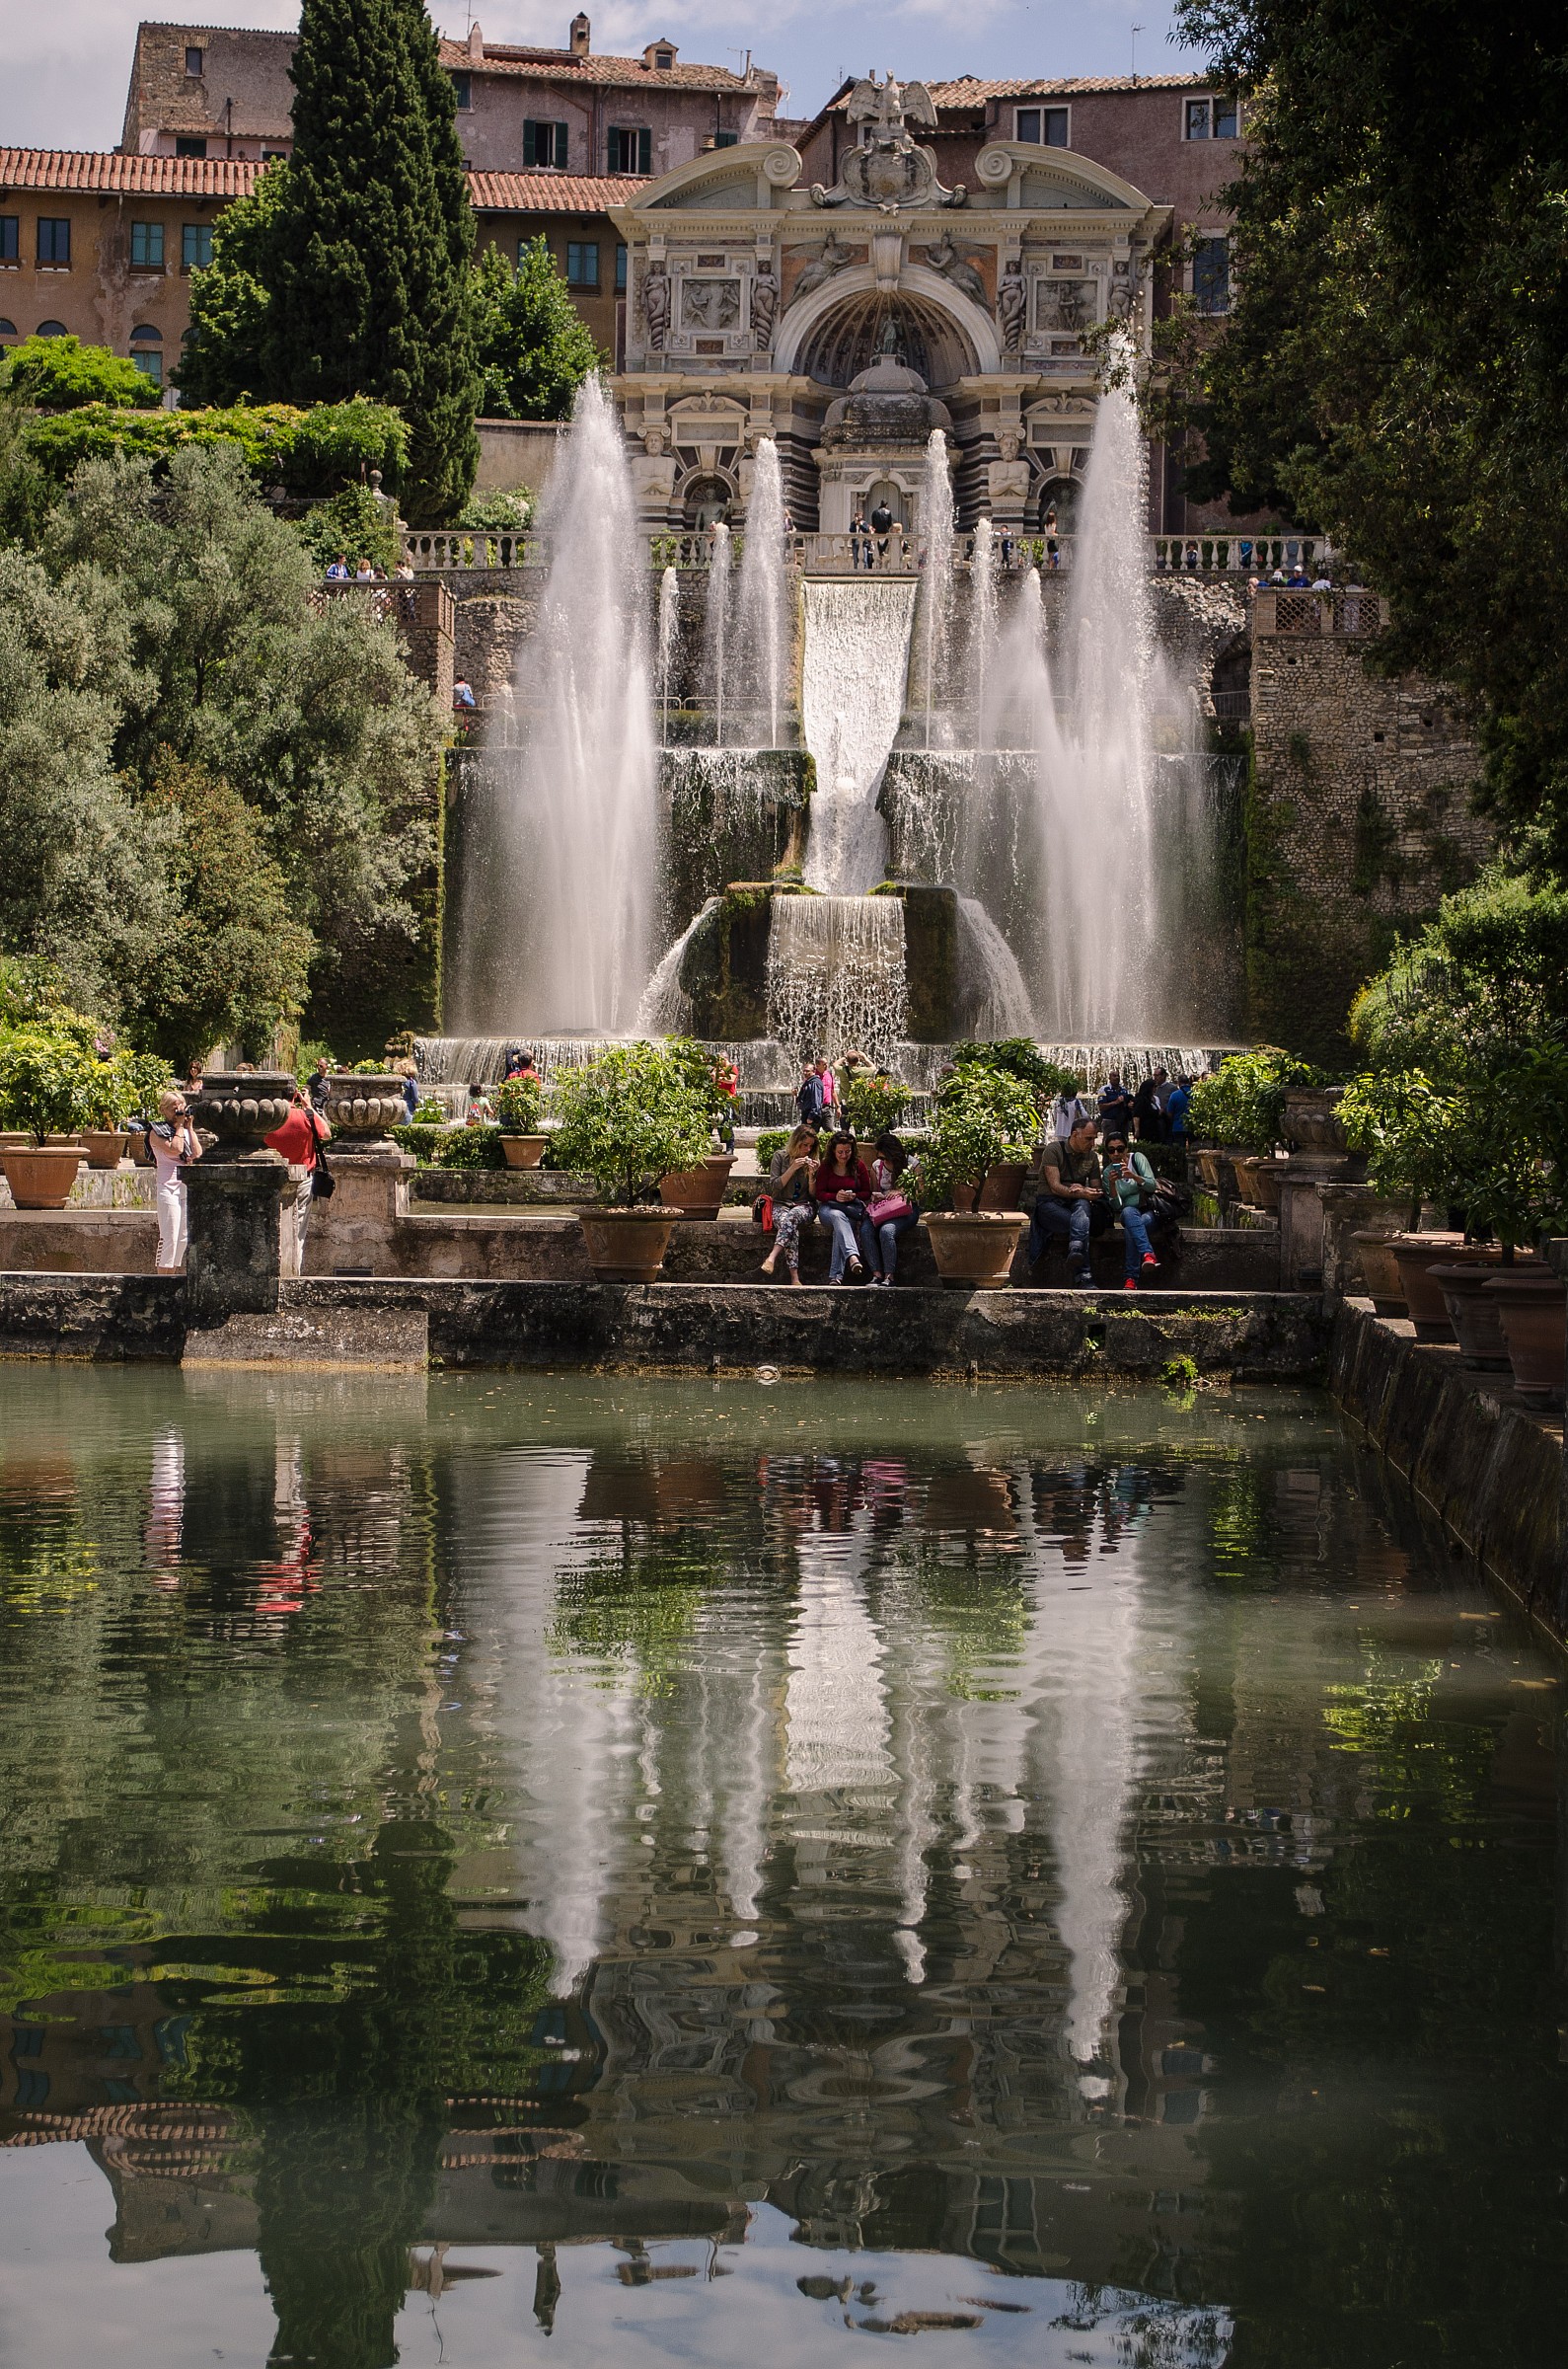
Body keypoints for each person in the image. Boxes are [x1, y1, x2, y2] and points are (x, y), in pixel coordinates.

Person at [1027, 1113, 1108, 1284]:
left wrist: (1086, 1191)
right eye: (1088, 1138)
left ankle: (1076, 1248)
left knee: (1083, 1206)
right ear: (1074, 1134)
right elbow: (1055, 1187)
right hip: (1049, 1203)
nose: (1093, 1144)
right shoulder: (1054, 1150)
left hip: (1076, 1204)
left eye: (1094, 1139)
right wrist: (1081, 1192)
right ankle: (1084, 1275)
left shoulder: (1092, 1157)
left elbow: (1096, 1188)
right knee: (1081, 1224)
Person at [263, 1089, 330, 1271]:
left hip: (270, 1179)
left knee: (270, 1229)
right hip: (302, 1179)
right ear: (295, 1095)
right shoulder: (305, 1116)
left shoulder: (267, 1118)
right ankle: (293, 1273)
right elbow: (326, 1133)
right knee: (297, 1232)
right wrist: (308, 1106)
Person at [148, 1088, 201, 1269]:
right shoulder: (156, 1131)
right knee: (169, 1237)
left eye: (181, 1106)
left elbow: (196, 1153)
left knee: (183, 1238)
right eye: (174, 1108)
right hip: (167, 1187)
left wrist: (189, 1128)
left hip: (184, 1186)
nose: (178, 1111)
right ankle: (162, 1279)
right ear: (164, 1110)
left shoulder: (184, 1131)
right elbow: (175, 1149)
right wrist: (179, 1126)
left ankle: (173, 1275)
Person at [1101, 1131, 1161, 1290]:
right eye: (1111, 1150)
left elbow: (1152, 1185)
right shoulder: (1108, 1173)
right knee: (1128, 1212)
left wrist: (1134, 1176)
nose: (1116, 1153)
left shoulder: (1137, 1159)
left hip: (1149, 1211)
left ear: (1126, 1149)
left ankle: (1130, 1279)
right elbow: (1117, 1206)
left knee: (1131, 1230)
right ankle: (1148, 1254)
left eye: (1120, 1149)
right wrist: (1112, 1185)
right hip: (1129, 1213)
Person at [760, 1124, 819, 1284]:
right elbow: (776, 1186)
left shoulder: (814, 1161)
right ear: (795, 1142)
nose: (807, 1149)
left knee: (792, 1216)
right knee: (789, 1224)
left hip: (804, 1205)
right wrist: (792, 1168)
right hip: (781, 1203)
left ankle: (772, 1257)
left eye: (810, 1146)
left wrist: (812, 1176)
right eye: (804, 1145)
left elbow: (813, 1195)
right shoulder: (780, 1157)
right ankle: (794, 1277)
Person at [859, 1132, 920, 1285]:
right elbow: (874, 1192)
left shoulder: (912, 1164)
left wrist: (901, 1191)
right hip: (883, 1211)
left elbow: (920, 1192)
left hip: (906, 1210)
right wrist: (878, 1196)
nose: (884, 1160)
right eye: (881, 1158)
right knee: (865, 1230)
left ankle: (889, 1276)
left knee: (887, 1231)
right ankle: (876, 1274)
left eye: (886, 1157)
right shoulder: (876, 1167)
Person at [814, 1130, 873, 1283]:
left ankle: (836, 1277)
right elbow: (819, 1193)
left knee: (839, 1229)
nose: (844, 1155)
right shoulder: (826, 1166)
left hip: (850, 1209)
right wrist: (835, 1196)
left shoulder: (858, 1165)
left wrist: (854, 1195)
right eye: (840, 1152)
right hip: (829, 1208)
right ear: (833, 1151)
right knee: (837, 1215)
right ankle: (852, 1256)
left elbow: (867, 1192)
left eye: (847, 1151)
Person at [1132, 1068, 1167, 1143]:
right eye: (1154, 1087)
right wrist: (1137, 1130)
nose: (1156, 1089)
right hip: (1145, 1130)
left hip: (1153, 1130)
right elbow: (1136, 1115)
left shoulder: (1151, 1099)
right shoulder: (1141, 1100)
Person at [1097, 1071, 1133, 1139]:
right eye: (1114, 1076)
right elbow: (1101, 1106)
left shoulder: (1124, 1090)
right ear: (1109, 1078)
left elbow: (1127, 1103)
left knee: (1124, 1140)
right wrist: (1116, 1102)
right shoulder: (1104, 1089)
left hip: (1123, 1121)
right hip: (1110, 1121)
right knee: (1109, 1141)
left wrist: (1129, 1105)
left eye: (1118, 1076)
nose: (1116, 1077)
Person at [796, 1061, 825, 1127]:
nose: (805, 1073)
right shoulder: (809, 1082)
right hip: (807, 1113)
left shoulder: (814, 1083)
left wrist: (811, 1117)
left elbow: (816, 1101)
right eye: (804, 1071)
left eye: (807, 1071)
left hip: (811, 1115)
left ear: (814, 1071)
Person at [1165, 1075, 1192, 1142]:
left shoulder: (1174, 1095)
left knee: (1179, 1147)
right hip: (1192, 1127)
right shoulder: (1195, 1094)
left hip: (1178, 1127)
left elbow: (1169, 1113)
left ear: (1179, 1083)